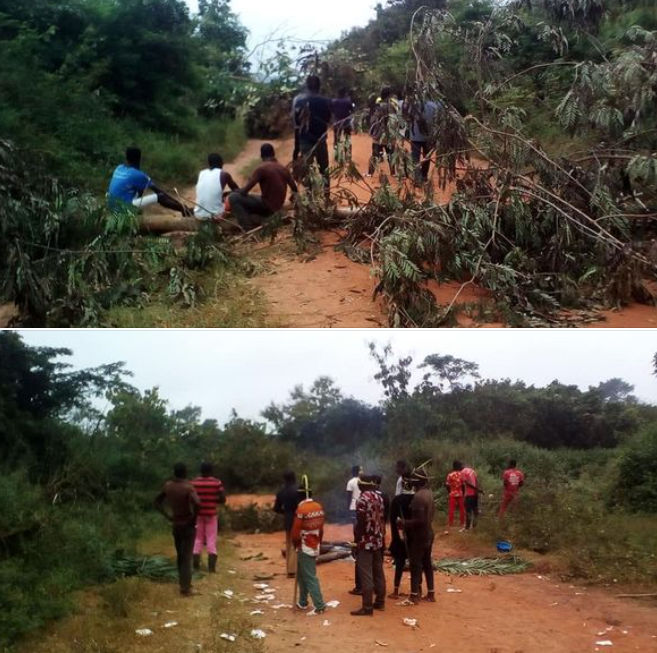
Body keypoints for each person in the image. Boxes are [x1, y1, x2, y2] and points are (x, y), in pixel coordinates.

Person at [154, 462, 200, 596]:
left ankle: (183, 584)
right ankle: (186, 588)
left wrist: (168, 516)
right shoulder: (188, 487)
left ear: (174, 472)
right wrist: (193, 518)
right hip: (187, 523)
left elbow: (156, 502)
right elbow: (198, 503)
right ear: (185, 472)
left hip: (176, 523)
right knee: (187, 556)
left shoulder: (168, 486)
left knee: (180, 555)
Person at [227, 144, 298, 230]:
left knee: (233, 198)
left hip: (267, 205)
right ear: (273, 153)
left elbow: (245, 191)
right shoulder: (283, 168)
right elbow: (294, 188)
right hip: (278, 205)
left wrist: (235, 191)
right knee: (252, 197)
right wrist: (292, 199)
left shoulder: (261, 168)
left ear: (261, 155)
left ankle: (247, 227)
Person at [107, 147, 193, 216]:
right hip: (123, 208)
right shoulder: (138, 175)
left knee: (138, 188)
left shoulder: (119, 168)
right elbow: (160, 193)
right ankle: (185, 211)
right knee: (159, 196)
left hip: (111, 208)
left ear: (126, 158)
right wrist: (182, 207)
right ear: (140, 158)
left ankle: (135, 213)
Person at [351, 475, 386, 616]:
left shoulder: (362, 500)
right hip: (378, 540)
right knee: (378, 571)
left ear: (361, 486)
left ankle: (367, 607)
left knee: (365, 573)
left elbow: (360, 523)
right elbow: (382, 520)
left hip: (366, 541)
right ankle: (380, 601)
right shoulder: (379, 498)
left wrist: (356, 541)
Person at [293, 75, 332, 200]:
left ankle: (309, 200)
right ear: (319, 86)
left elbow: (297, 125)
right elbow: (327, 119)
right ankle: (327, 197)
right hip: (321, 140)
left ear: (307, 86)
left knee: (307, 172)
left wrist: (296, 147)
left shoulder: (299, 102)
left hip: (305, 141)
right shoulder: (326, 101)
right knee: (324, 170)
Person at [400, 467, 435, 604]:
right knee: (427, 563)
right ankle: (431, 593)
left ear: (416, 482)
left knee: (416, 564)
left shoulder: (418, 497)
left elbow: (419, 520)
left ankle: (414, 595)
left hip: (420, 535)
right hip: (429, 533)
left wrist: (404, 523)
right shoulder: (429, 493)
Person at [291, 484, 326, 615]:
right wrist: (320, 543)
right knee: (301, 574)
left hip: (304, 545)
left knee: (310, 576)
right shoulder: (318, 507)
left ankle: (319, 605)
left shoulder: (301, 509)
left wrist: (296, 544)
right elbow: (321, 529)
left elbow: (295, 532)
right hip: (315, 542)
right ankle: (303, 601)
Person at [190, 462, 225, 573]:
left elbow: (191, 499)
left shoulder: (194, 483)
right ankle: (211, 568)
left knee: (198, 538)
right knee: (211, 539)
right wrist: (213, 500)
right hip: (211, 514)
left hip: (198, 514)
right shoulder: (216, 482)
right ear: (211, 471)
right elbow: (223, 499)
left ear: (200, 470)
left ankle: (196, 564)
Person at [388, 475, 414, 599]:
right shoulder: (416, 498)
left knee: (399, 564)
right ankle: (416, 590)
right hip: (413, 537)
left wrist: (395, 537)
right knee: (416, 564)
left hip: (399, 538)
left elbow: (392, 520)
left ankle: (396, 591)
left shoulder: (397, 500)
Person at [404, 97, 439, 184]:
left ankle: (417, 177)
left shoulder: (414, 105)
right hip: (429, 136)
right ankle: (424, 176)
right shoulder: (434, 106)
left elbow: (408, 118)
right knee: (427, 157)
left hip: (415, 136)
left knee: (415, 157)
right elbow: (437, 121)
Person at [193, 153, 239, 220]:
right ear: (221, 163)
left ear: (209, 163)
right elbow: (236, 190)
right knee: (233, 196)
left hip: (198, 215)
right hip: (216, 215)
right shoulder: (224, 174)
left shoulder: (201, 173)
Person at [274, 470, 301, 578]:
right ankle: (292, 570)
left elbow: (276, 508)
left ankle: (289, 569)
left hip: (287, 519)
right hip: (298, 518)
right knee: (296, 544)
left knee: (289, 543)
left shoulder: (281, 492)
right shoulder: (298, 490)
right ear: (294, 477)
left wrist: (285, 512)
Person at [368, 86, 397, 176]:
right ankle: (393, 172)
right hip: (389, 135)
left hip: (378, 135)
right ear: (389, 96)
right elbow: (393, 121)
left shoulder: (377, 106)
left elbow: (373, 120)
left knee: (375, 154)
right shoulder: (391, 107)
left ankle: (370, 173)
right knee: (391, 154)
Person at [346, 465, 363, 595]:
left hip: (353, 506)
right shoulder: (362, 481)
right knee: (360, 528)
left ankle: (356, 545)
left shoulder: (351, 482)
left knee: (356, 528)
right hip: (361, 506)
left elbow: (348, 496)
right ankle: (358, 543)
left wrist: (348, 507)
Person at [331, 88, 355, 158]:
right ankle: (348, 154)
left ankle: (336, 155)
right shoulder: (348, 101)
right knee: (347, 138)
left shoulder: (334, 101)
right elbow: (352, 110)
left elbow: (331, 111)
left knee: (336, 139)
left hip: (337, 123)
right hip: (346, 123)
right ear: (345, 94)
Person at [445, 460, 465, 529]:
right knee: (462, 509)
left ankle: (450, 524)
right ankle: (462, 523)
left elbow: (447, 485)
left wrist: (449, 492)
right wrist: (463, 492)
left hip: (452, 493)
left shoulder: (450, 475)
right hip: (460, 493)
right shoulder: (462, 474)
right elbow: (463, 485)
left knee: (451, 509)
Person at [461, 464, 482, 530]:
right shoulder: (472, 471)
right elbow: (477, 481)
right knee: (475, 510)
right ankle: (474, 526)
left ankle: (467, 527)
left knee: (468, 511)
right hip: (475, 494)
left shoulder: (463, 472)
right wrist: (478, 489)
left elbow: (466, 482)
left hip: (469, 494)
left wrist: (475, 488)